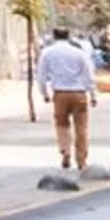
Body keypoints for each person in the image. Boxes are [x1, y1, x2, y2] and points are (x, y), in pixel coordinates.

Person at [37, 25, 98, 168]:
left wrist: (44, 93)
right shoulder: (78, 52)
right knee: (81, 127)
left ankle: (65, 152)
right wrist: (93, 94)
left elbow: (41, 76)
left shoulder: (47, 53)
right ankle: (81, 160)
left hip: (60, 93)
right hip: (79, 93)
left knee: (61, 124)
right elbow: (88, 74)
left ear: (54, 36)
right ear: (68, 36)